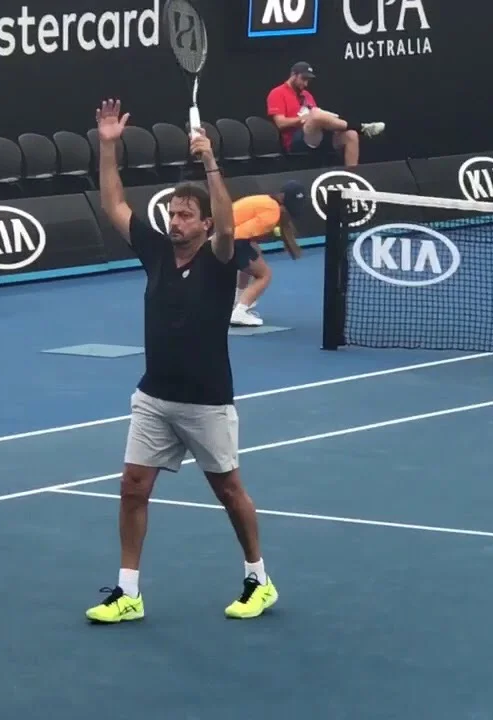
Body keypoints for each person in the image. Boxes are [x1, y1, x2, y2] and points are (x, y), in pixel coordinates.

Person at [84, 99, 278, 624]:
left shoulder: (220, 259)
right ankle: (128, 592)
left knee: (229, 492)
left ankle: (258, 578)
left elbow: (228, 224)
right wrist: (108, 147)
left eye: (185, 214)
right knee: (132, 486)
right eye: (172, 213)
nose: (174, 220)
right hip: (154, 397)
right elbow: (113, 205)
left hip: (207, 401)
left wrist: (210, 159)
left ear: (206, 223)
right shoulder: (154, 250)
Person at [266, 61, 384, 167]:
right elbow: (280, 123)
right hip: (295, 140)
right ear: (293, 75)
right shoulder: (277, 93)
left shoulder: (307, 94)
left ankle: (352, 178)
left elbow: (319, 119)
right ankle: (361, 127)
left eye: (308, 80)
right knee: (316, 114)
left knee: (351, 135)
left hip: (318, 135)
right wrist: (303, 119)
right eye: (303, 79)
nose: (306, 84)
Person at [229, 180, 306, 327]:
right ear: (282, 197)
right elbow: (238, 235)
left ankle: (238, 302)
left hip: (224, 237)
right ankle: (239, 311)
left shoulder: (264, 202)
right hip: (229, 239)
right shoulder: (272, 213)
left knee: (254, 254)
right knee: (265, 275)